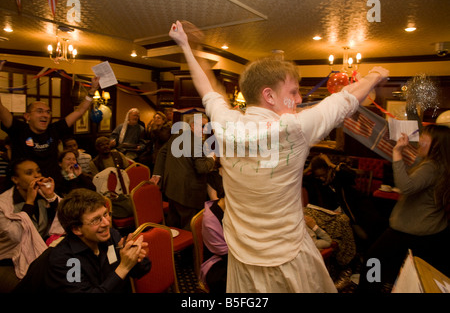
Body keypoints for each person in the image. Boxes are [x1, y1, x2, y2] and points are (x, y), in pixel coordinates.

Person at [169, 20, 389, 292]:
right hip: (289, 260)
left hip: (242, 261)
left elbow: (208, 88)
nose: (298, 100)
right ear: (269, 95)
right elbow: (344, 101)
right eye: (293, 92)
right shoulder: (294, 128)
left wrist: (188, 47)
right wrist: (375, 75)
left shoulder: (225, 122)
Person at [358, 125, 450, 293]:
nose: (420, 140)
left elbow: (405, 186)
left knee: (374, 258)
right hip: (427, 230)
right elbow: (414, 174)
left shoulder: (431, 167)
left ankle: (370, 290)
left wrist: (397, 153)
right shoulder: (437, 164)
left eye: (425, 138)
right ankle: (383, 286)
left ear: (437, 144)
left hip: (412, 231)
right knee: (402, 268)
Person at [15, 188, 151, 293]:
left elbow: (142, 270)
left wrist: (135, 258)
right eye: (96, 220)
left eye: (105, 214)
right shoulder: (66, 260)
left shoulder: (110, 236)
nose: (106, 223)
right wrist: (123, 267)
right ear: (77, 229)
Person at [0, 77, 100, 181]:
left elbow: (79, 111)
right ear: (27, 116)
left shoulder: (54, 130)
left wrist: (92, 90)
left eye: (48, 112)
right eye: (39, 111)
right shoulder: (19, 129)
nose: (45, 115)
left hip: (52, 186)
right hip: (26, 187)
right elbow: (1, 108)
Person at [0, 158, 63, 292]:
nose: (37, 176)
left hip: (39, 257)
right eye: (29, 173)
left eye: (38, 171)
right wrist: (29, 203)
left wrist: (51, 197)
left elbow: (66, 217)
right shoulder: (3, 204)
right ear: (15, 179)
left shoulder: (42, 195)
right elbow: (16, 236)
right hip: (8, 260)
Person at [151, 114, 216, 231]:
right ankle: (188, 248)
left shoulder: (178, 134)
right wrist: (212, 159)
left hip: (171, 189)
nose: (205, 129)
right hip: (188, 193)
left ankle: (171, 247)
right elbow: (202, 168)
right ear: (192, 126)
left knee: (173, 226)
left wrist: (157, 173)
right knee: (190, 230)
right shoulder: (196, 142)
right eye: (202, 126)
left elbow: (162, 152)